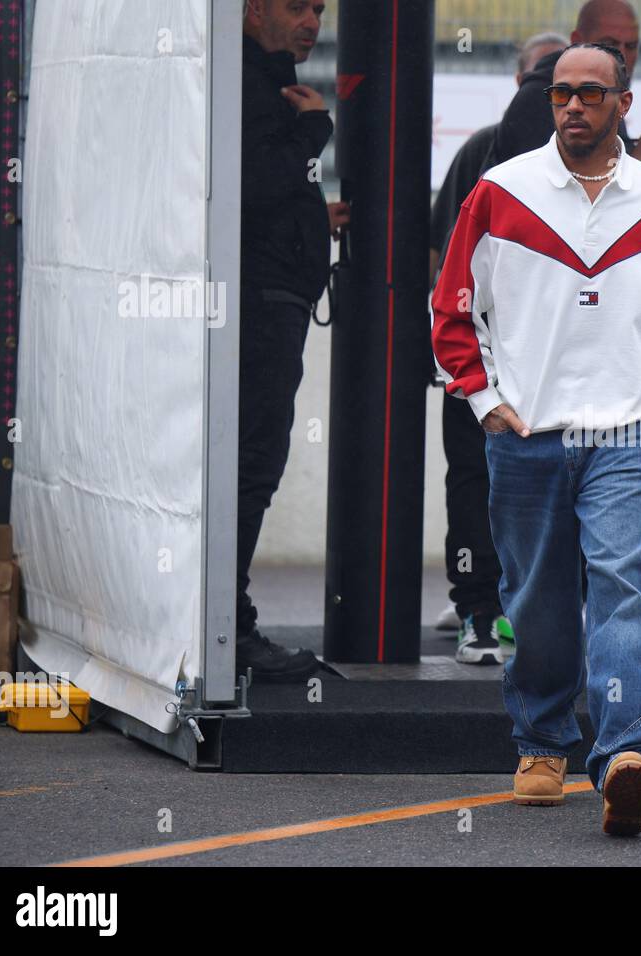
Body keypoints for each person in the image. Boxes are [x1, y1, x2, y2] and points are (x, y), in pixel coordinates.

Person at [431, 43, 641, 835]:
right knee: (540, 603)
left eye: (591, 93)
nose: (572, 106)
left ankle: (629, 751)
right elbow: (453, 310)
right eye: (562, 92)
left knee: (622, 588)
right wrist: (486, 400)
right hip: (526, 436)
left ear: (623, 104)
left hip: (629, 433)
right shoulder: (500, 191)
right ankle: (542, 742)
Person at [427, 32, 567, 665]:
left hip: (515, 362)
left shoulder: (602, 168)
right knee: (498, 482)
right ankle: (491, 610)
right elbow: (444, 260)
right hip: (511, 360)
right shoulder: (491, 155)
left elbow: (440, 257)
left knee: (493, 481)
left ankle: (493, 611)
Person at [236, 0, 346, 682]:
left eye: (319, 9)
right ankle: (229, 627)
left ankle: (227, 620)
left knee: (254, 465)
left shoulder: (266, 81)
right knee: (250, 465)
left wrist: (314, 213)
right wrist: (314, 134)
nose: (312, 20)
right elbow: (250, 180)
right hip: (258, 310)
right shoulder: (250, 85)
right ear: (251, 9)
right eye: (297, 4)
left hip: (271, 303)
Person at [484, 0, 641, 171]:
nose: (622, 56)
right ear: (577, 40)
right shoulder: (536, 100)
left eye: (632, 46)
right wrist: (636, 163)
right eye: (609, 44)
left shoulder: (611, 91)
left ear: (625, 102)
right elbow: (560, 190)